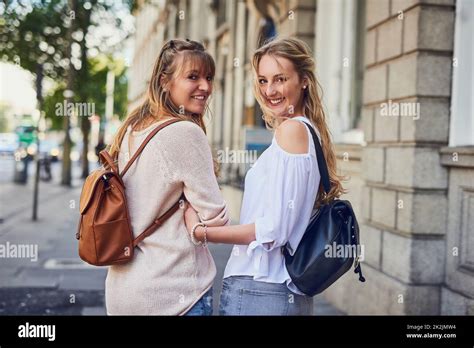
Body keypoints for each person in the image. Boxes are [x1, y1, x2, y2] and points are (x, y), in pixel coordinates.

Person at [184, 37, 346, 315]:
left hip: (261, 289)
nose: (270, 90)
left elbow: (274, 230)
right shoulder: (305, 131)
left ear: (304, 80)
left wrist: (203, 233)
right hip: (274, 292)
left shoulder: (292, 131)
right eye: (262, 80)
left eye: (280, 79)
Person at [105, 39, 229, 316]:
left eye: (208, 77)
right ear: (165, 81)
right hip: (175, 296)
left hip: (122, 292)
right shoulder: (185, 133)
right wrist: (193, 215)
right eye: (192, 77)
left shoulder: (132, 128)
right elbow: (215, 219)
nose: (206, 87)